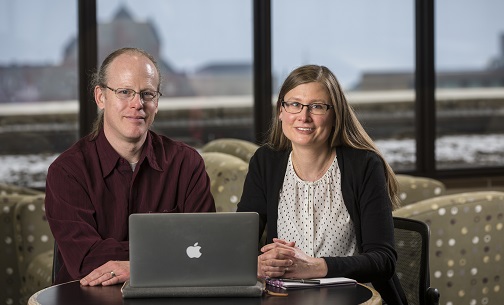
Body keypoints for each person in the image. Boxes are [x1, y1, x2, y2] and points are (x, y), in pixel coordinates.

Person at [237, 65, 407, 304]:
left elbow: (383, 260)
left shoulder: (364, 166)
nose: (303, 117)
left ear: (335, 114)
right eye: (294, 104)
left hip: (357, 298)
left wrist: (315, 267)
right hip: (285, 298)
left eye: (317, 106)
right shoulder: (265, 162)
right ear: (281, 111)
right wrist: (254, 263)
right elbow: (239, 241)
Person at [45, 47, 215, 286]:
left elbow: (205, 247)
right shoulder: (67, 172)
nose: (138, 104)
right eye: (125, 92)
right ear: (100, 97)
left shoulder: (186, 164)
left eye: (147, 94)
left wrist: (137, 266)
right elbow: (85, 259)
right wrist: (171, 252)